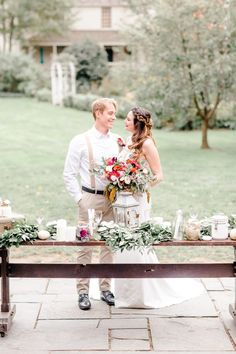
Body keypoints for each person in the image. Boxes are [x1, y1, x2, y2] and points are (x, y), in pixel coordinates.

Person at [114, 106, 205, 308]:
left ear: (138, 123)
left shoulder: (147, 144)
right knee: (122, 240)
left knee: (136, 240)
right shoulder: (128, 141)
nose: (125, 122)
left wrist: (138, 185)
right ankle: (123, 291)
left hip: (138, 201)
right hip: (122, 200)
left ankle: (142, 293)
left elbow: (159, 175)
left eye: (128, 119)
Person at [63, 97, 121, 311]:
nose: (114, 117)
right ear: (98, 113)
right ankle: (83, 293)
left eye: (114, 113)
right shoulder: (80, 140)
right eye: (110, 113)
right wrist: (80, 200)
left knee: (109, 245)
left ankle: (105, 289)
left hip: (112, 200)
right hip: (88, 199)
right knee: (84, 246)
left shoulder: (117, 140)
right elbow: (68, 174)